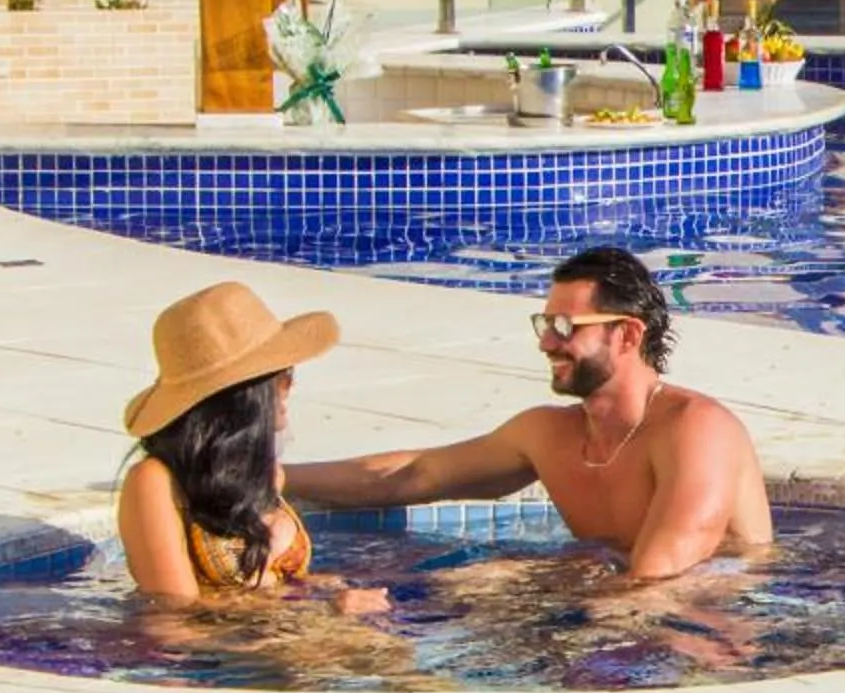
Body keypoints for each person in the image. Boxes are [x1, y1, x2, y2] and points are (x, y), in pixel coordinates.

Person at [283, 246, 773, 579]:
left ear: (627, 334)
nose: (545, 341)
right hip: (618, 605)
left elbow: (663, 578)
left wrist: (531, 582)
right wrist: (274, 477)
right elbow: (411, 475)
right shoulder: (549, 434)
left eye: (564, 326)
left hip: (712, 629)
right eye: (544, 323)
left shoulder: (696, 430)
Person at [117, 282, 348, 604]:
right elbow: (172, 618)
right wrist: (319, 615)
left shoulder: (263, 473)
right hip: (227, 651)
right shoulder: (154, 482)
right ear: (246, 396)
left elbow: (275, 587)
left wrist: (323, 593)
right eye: (283, 376)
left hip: (280, 637)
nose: (290, 386)